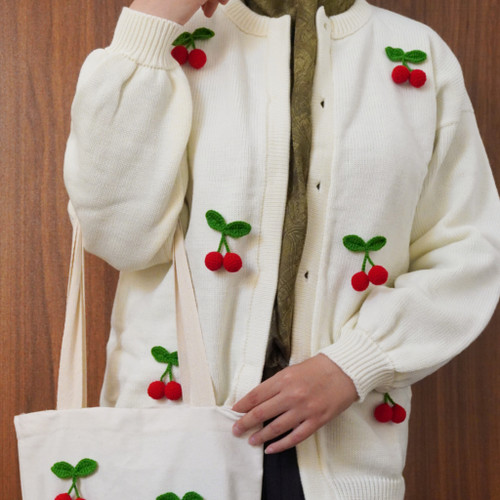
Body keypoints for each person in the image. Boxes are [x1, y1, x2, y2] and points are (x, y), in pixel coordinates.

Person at [62, 0, 500, 498]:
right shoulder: (176, 41)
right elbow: (119, 239)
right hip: (173, 445)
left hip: (343, 453)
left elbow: (470, 250)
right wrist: (148, 26)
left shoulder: (417, 54)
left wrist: (354, 364)